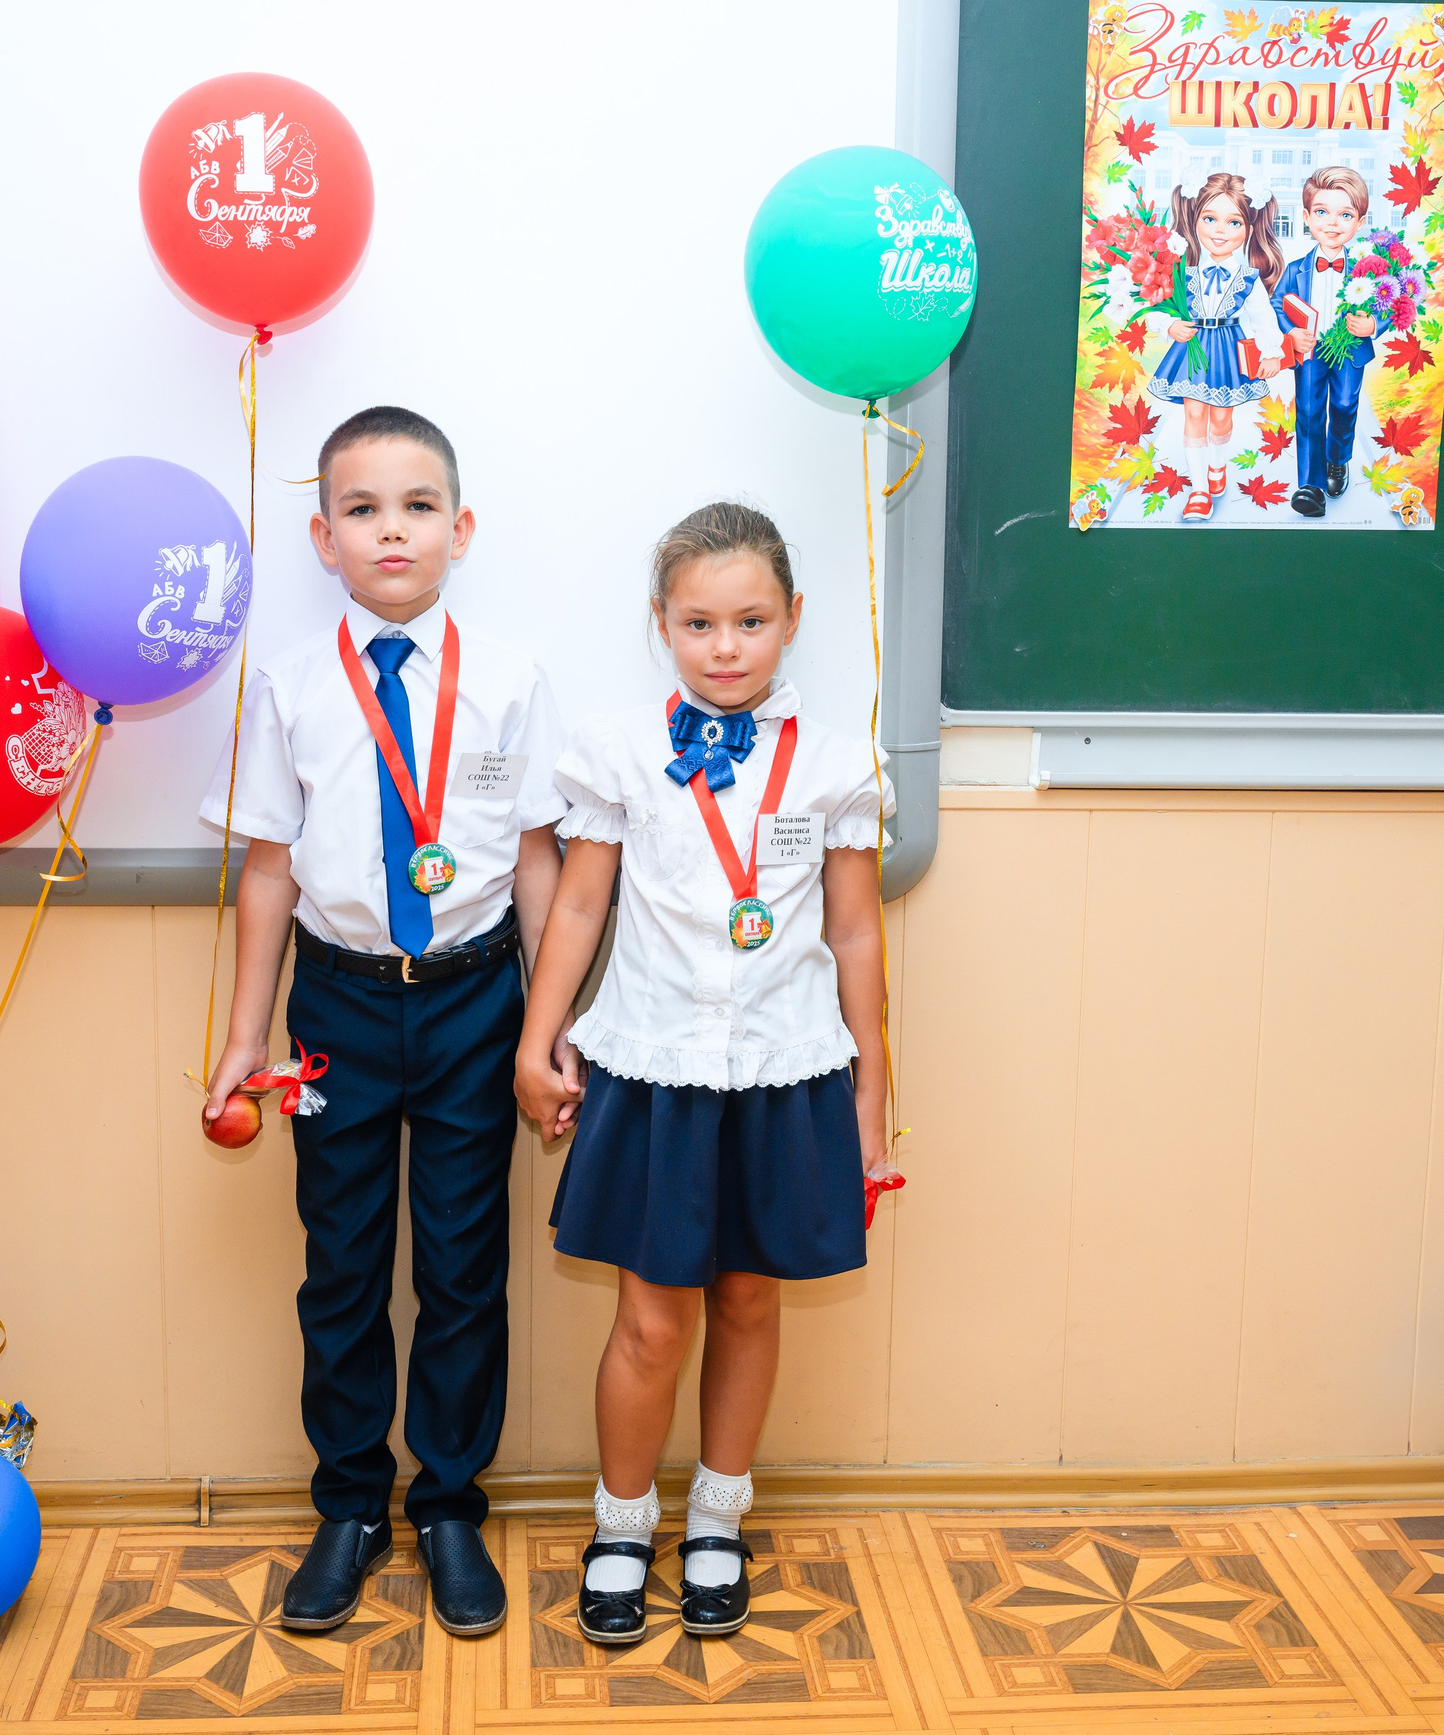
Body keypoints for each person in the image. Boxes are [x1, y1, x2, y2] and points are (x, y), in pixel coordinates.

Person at [200, 405, 566, 1640]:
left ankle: (449, 1503)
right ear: (321, 537)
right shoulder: (291, 686)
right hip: (338, 1008)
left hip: (474, 996)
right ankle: (351, 1502)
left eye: (416, 507)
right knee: (342, 1264)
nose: (390, 531)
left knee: (464, 1269)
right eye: (361, 510)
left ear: (460, 528)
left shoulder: (510, 679)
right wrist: (243, 1037)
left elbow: (534, 865)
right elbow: (264, 871)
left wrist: (543, 1028)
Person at [514, 502, 895, 1647]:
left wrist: (876, 1091)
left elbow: (860, 936)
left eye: (749, 620)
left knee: (749, 1296)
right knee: (647, 1319)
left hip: (787, 1073)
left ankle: (719, 1515)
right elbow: (579, 900)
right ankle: (622, 1524)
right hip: (654, 1067)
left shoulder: (835, 764)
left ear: (790, 622)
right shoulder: (619, 751)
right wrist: (539, 1036)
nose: (724, 646)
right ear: (660, 625)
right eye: (698, 622)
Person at [1142, 171, 1285, 522]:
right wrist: (1170, 326)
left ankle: (1218, 467)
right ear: (1195, 220)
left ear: (1249, 230)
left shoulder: (1247, 278)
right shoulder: (1180, 270)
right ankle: (1200, 490)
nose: (1220, 230)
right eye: (1210, 219)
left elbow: (1264, 317)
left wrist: (1271, 352)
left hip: (1228, 348)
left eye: (1233, 222)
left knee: (1221, 417)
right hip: (1192, 347)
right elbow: (1156, 305)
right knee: (1194, 414)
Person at [1273, 166, 1379, 517]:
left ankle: (1337, 460)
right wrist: (1290, 331)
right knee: (1308, 412)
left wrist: (1373, 324)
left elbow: (1388, 306)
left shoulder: (1367, 270)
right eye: (1321, 212)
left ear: (1360, 222)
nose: (1332, 223)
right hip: (1310, 351)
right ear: (1306, 217)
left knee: (1346, 405)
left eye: (1345, 214)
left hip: (1348, 349)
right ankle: (1311, 484)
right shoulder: (1296, 268)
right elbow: (1278, 303)